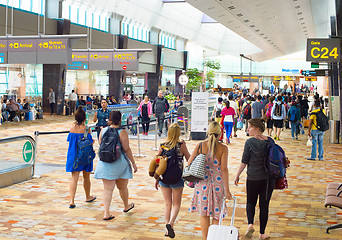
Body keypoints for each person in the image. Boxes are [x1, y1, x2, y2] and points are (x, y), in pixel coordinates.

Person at [190, 121, 232, 240]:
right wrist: (227, 190)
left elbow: (189, 163)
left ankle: (205, 238)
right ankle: (213, 238)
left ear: (207, 132)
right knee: (217, 214)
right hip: (218, 184)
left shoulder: (200, 146)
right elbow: (224, 169)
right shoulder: (223, 148)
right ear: (220, 133)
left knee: (204, 214)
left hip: (202, 184)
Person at [234, 118, 275, 240]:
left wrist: (237, 175)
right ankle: (262, 234)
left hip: (252, 178)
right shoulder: (270, 141)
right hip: (268, 179)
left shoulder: (249, 143)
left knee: (250, 202)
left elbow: (244, 161)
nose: (247, 129)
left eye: (250, 127)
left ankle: (250, 224)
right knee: (264, 205)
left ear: (257, 128)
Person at [94, 111, 138, 220]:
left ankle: (106, 213)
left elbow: (101, 144)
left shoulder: (103, 130)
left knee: (107, 189)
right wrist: (133, 162)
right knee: (122, 187)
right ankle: (126, 206)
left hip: (105, 163)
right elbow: (126, 149)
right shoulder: (122, 132)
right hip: (119, 163)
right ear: (119, 120)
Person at [155, 123, 190, 238]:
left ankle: (167, 228)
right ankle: (171, 223)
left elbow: (156, 163)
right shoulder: (181, 145)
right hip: (177, 179)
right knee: (176, 204)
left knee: (167, 204)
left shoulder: (162, 146)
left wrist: (156, 178)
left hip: (164, 178)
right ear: (178, 133)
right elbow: (189, 159)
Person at [66, 106, 96, 208]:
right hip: (85, 156)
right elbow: (89, 142)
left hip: (74, 156)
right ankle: (87, 196)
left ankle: (72, 200)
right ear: (84, 118)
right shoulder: (87, 129)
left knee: (74, 178)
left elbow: (70, 142)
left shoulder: (71, 129)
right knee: (86, 177)